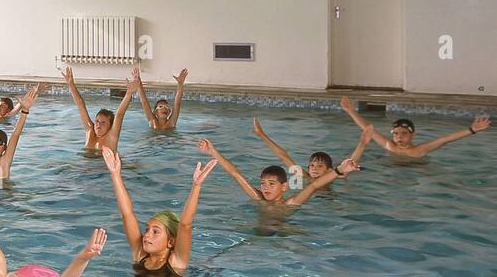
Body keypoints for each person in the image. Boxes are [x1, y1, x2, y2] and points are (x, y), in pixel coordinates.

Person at [103, 148, 216, 277]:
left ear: (170, 241)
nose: (146, 235)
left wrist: (196, 186)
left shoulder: (176, 262)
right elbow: (127, 214)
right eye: (147, 230)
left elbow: (185, 225)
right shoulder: (140, 255)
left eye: (155, 232)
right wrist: (115, 175)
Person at [196, 138, 341, 209]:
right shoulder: (258, 197)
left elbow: (313, 186)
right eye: (263, 183)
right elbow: (236, 174)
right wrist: (213, 152)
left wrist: (340, 171)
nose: (266, 188)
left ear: (284, 187)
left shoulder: (290, 203)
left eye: (272, 184)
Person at [338, 96, 490, 158]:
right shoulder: (389, 146)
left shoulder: (420, 150)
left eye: (404, 133)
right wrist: (350, 110)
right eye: (396, 133)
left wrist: (472, 130)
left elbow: (445, 139)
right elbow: (368, 129)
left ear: (413, 135)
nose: (399, 136)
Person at [253, 117, 373, 184]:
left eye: (320, 166)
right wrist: (262, 135)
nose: (314, 168)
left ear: (329, 170)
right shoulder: (305, 177)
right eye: (311, 165)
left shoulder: (334, 176)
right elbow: (284, 156)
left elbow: (349, 164)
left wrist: (362, 143)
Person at [60, 66, 136, 152]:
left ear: (111, 126)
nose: (98, 125)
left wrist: (129, 93)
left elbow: (119, 114)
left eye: (103, 122)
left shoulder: (112, 136)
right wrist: (71, 84)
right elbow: (80, 105)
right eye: (97, 121)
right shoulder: (90, 131)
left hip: (103, 165)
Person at [134, 67, 189, 132]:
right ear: (155, 112)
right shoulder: (152, 121)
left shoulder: (172, 122)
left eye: (167, 107)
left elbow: (177, 103)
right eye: (160, 107)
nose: (164, 108)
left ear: (169, 112)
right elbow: (144, 101)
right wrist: (139, 83)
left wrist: (180, 83)